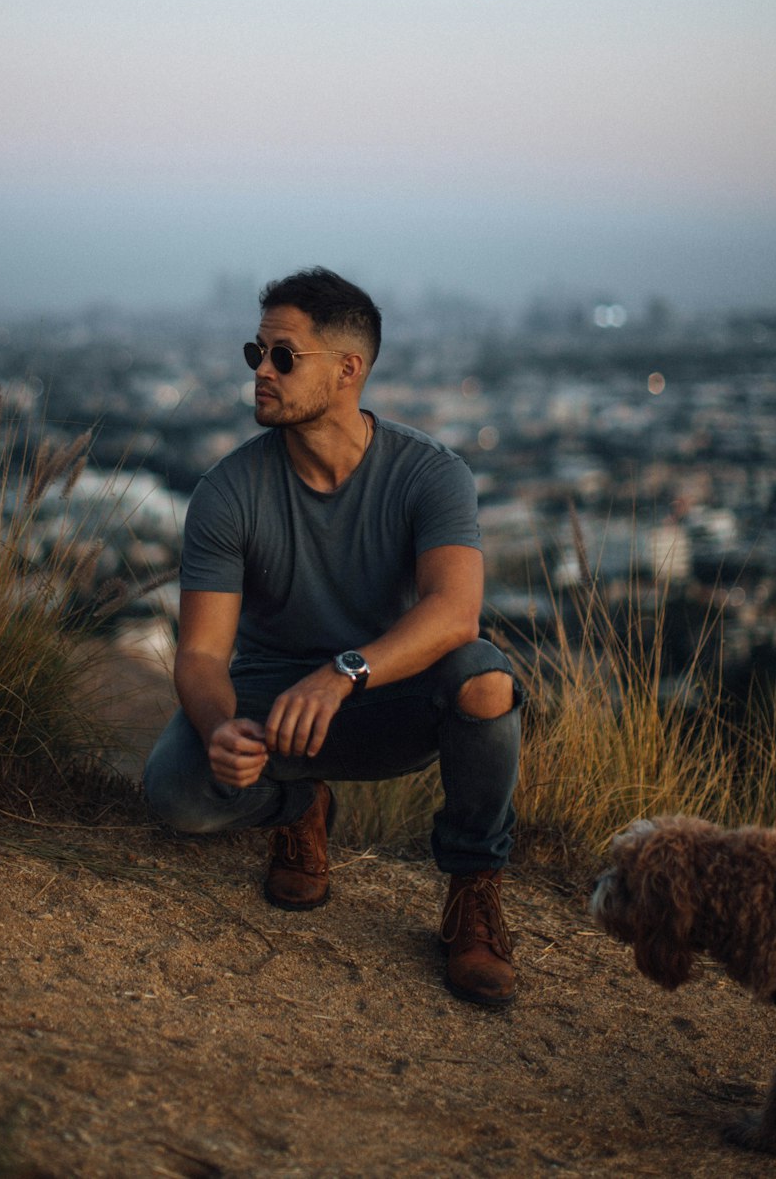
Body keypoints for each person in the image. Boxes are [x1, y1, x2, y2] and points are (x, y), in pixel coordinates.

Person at [144, 267, 521, 1006]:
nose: (262, 372)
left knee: (485, 678)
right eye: (256, 353)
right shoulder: (228, 491)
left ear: (348, 370)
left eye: (285, 357)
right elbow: (199, 654)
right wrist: (221, 728)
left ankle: (473, 891)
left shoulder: (430, 474)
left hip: (390, 697)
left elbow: (454, 614)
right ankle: (299, 810)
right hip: (275, 706)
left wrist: (344, 670)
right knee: (177, 794)